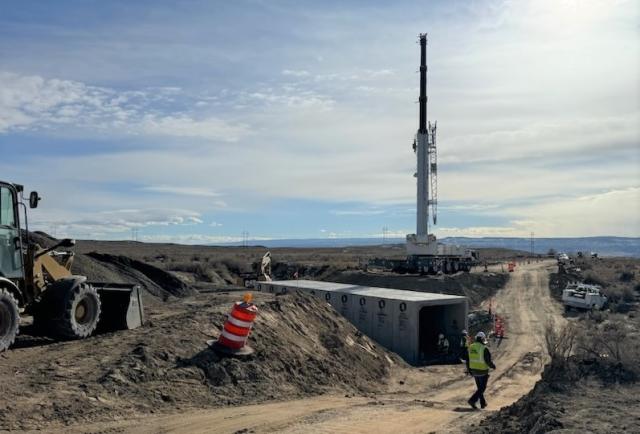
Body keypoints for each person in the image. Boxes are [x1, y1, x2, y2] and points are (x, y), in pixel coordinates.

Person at [461, 331, 496, 409]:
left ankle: (483, 403)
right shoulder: (484, 348)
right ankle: (472, 400)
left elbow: (467, 360)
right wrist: (493, 366)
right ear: (483, 339)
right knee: (482, 388)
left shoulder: (470, 347)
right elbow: (488, 361)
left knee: (480, 388)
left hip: (474, 371)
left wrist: (469, 370)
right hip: (483, 371)